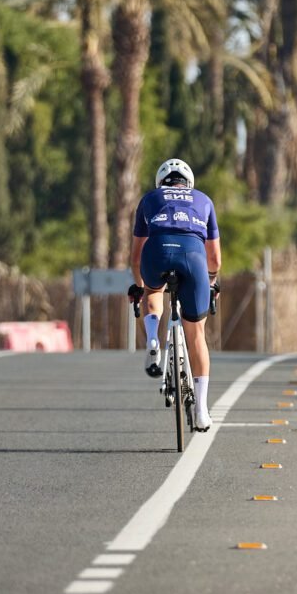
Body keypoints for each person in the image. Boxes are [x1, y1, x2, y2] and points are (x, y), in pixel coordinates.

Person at [129, 158, 221, 432]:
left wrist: (139, 286)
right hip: (193, 256)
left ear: (161, 182)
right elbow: (214, 257)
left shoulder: (150, 198)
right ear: (188, 182)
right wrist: (212, 282)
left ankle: (154, 338)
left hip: (156, 252)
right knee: (197, 335)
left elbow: (135, 257)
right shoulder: (203, 200)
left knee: (153, 289)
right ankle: (202, 411)